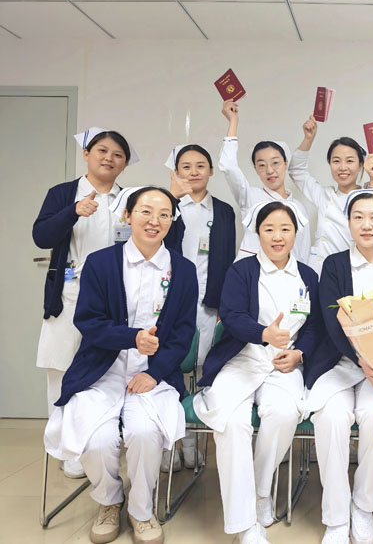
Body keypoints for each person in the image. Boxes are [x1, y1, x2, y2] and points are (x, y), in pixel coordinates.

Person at [43, 186, 198, 544]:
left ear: (171, 221)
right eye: (145, 211)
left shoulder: (183, 270)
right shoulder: (101, 263)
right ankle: (109, 501)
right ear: (128, 216)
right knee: (97, 439)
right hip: (102, 370)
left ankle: (141, 511)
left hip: (154, 374)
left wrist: (154, 372)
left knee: (145, 433)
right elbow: (88, 321)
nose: (154, 220)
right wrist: (132, 338)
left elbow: (183, 333)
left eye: (164, 214)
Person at [193, 201, 322, 544]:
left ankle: (261, 492)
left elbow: (314, 326)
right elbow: (232, 316)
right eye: (269, 229)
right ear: (258, 233)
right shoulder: (242, 271)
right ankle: (244, 524)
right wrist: (263, 333)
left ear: (295, 233)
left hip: (283, 363)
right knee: (233, 423)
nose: (277, 236)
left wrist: (298, 353)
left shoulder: (308, 276)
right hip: (242, 358)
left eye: (285, 229)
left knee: (283, 413)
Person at [306, 189, 373, 544]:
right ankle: (336, 516)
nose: (366, 225)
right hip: (338, 361)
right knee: (332, 418)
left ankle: (363, 504)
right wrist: (361, 361)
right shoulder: (334, 265)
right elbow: (331, 321)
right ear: (349, 223)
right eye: (358, 217)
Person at [33, 127, 136, 479]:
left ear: (124, 164)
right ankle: (68, 449)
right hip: (68, 295)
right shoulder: (63, 194)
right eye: (102, 150)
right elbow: (41, 236)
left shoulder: (128, 199)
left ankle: (100, 445)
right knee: (61, 368)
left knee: (105, 371)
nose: (109, 158)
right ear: (86, 154)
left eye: (118, 154)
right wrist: (73, 212)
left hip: (114, 300)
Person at [158, 143, 235, 471]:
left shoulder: (224, 211)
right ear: (176, 171)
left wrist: (223, 305)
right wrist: (171, 199)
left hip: (208, 303)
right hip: (170, 301)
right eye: (185, 167)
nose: (193, 172)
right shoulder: (164, 205)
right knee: (170, 370)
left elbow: (227, 259)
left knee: (203, 372)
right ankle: (169, 445)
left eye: (200, 165)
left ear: (211, 171)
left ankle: (191, 442)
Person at [219, 100, 310, 262]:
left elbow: (302, 253)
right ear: (255, 169)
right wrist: (233, 121)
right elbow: (228, 166)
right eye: (261, 165)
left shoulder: (299, 208)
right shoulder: (250, 196)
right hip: (250, 273)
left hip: (286, 274)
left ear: (286, 163)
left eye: (275, 163)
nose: (269, 170)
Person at [288, 116, 373, 274]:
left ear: (361, 165)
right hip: (319, 270)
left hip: (351, 272)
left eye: (350, 161)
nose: (342, 167)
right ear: (329, 164)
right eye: (336, 161)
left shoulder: (369, 199)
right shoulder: (324, 195)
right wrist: (308, 138)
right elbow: (296, 171)